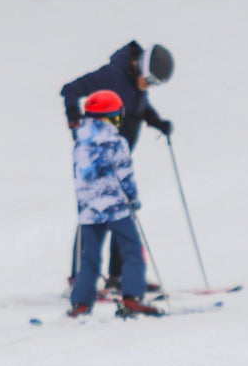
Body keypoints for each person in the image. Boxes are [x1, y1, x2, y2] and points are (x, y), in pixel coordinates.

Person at [60, 41, 174, 291]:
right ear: (140, 66)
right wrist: (73, 119)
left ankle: (118, 277)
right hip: (96, 164)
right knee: (93, 216)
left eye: (154, 84)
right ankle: (78, 278)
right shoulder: (112, 75)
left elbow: (139, 108)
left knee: (122, 214)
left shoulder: (136, 83)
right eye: (150, 80)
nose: (149, 86)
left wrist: (158, 123)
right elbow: (69, 89)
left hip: (118, 162)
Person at [68, 91, 161, 318]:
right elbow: (125, 175)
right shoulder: (116, 142)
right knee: (131, 250)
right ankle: (132, 297)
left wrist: (84, 205)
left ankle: (81, 303)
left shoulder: (80, 143)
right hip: (115, 206)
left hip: (89, 210)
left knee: (90, 255)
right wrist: (132, 198)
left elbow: (80, 177)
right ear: (111, 116)